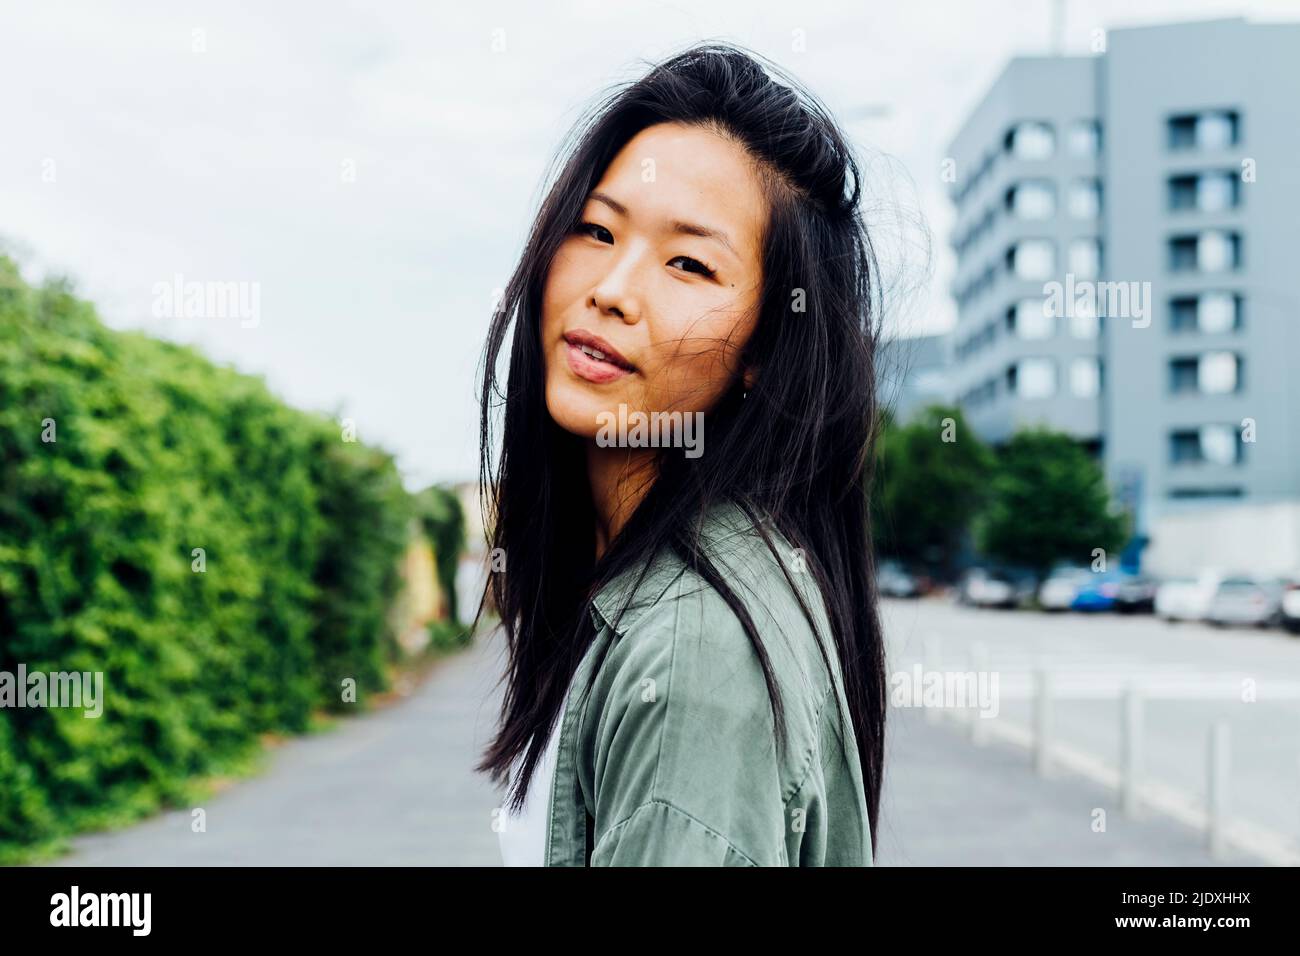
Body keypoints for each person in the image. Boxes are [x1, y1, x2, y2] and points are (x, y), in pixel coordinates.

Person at [474, 42, 887, 866]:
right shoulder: (640, 596)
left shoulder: (692, 657)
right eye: (596, 229)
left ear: (765, 347)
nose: (613, 290)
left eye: (689, 263)